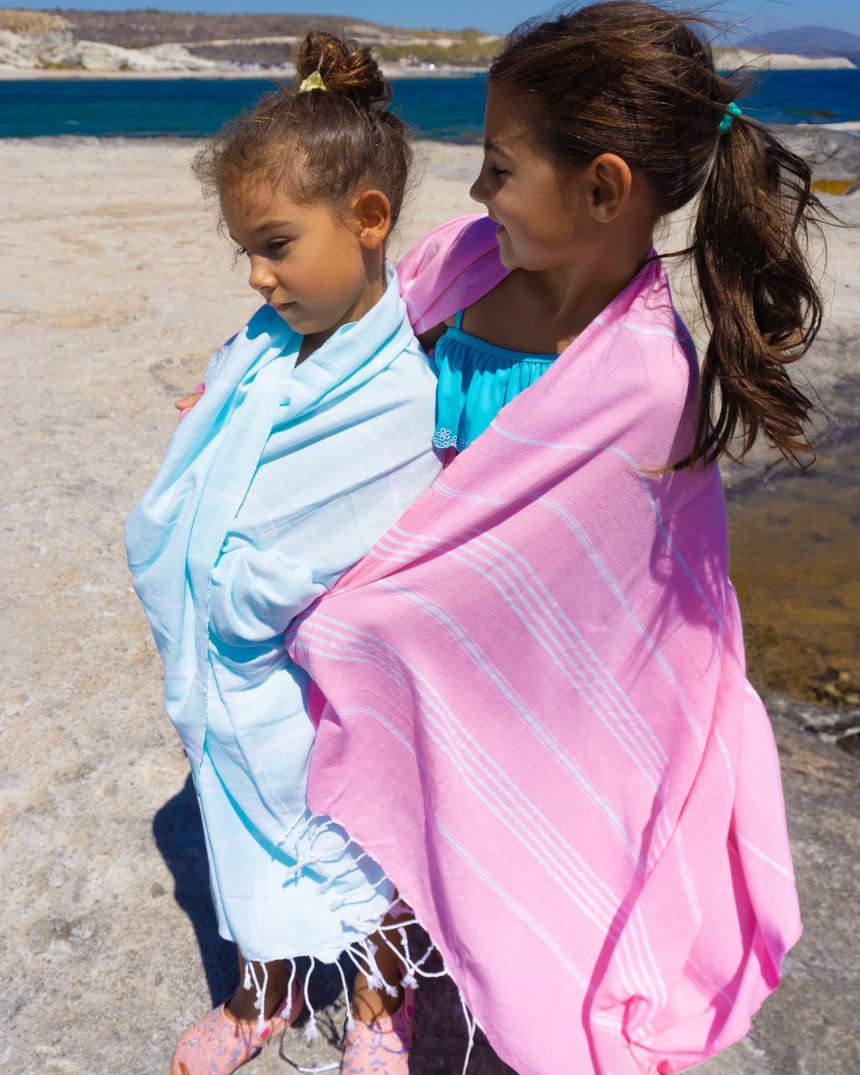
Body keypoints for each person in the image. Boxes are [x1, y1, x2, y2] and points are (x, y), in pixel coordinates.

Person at [283, 4, 824, 1073]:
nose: (477, 192)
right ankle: (381, 991)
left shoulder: (644, 379)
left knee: (483, 806)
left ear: (603, 188)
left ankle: (467, 962)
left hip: (513, 654)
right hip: (420, 594)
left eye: (496, 168)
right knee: (389, 799)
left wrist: (379, 611)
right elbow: (360, 359)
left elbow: (611, 591)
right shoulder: (467, 266)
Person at [125, 32, 442, 1075]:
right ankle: (262, 991)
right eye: (245, 253)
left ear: (366, 220)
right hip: (244, 688)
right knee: (241, 828)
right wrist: (215, 417)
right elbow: (233, 411)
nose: (257, 278)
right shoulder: (266, 348)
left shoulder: (394, 389)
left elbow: (360, 527)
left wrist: (238, 592)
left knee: (371, 841)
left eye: (272, 245)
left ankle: (372, 1007)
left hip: (336, 686)